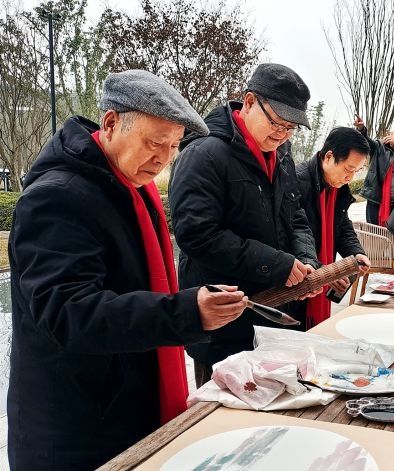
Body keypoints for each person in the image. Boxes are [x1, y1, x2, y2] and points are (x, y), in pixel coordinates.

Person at [8, 70, 249, 470]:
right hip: (75, 426)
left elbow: (133, 279)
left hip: (125, 403)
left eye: (173, 147)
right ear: (110, 123)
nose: (162, 159)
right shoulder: (58, 197)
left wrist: (195, 298)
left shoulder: (129, 185)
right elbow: (68, 312)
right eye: (155, 143)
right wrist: (185, 312)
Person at [169, 63, 320, 388]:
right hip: (225, 322)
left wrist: (306, 261)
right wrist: (277, 263)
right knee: (222, 424)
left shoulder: (281, 154)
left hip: (276, 312)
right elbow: (197, 235)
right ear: (249, 102)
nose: (281, 134)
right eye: (276, 123)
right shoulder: (205, 153)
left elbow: (296, 216)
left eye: (291, 128)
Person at [296, 127, 372, 327]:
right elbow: (294, 237)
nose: (351, 178)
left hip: (318, 274)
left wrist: (355, 253)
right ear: (329, 157)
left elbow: (342, 225)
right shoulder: (298, 181)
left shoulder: (337, 187)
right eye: (348, 169)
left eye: (356, 172)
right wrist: (325, 273)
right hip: (298, 283)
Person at [354, 117, 394, 226]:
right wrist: (362, 129)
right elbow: (366, 142)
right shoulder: (380, 148)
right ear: (391, 135)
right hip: (376, 201)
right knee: (374, 234)